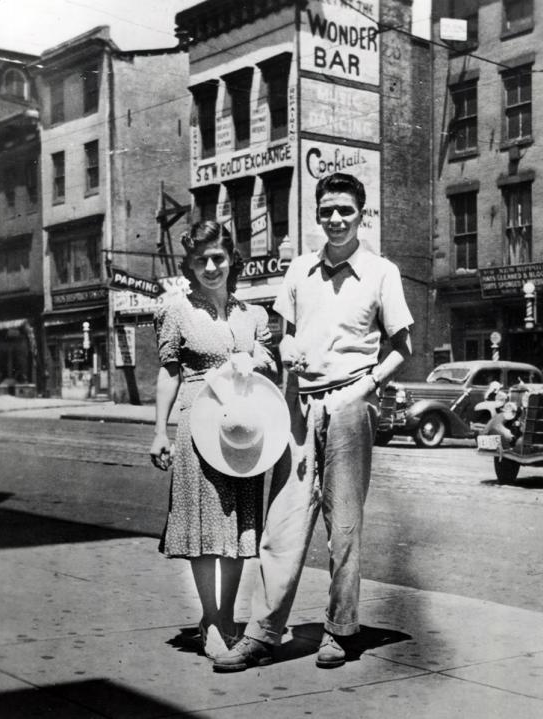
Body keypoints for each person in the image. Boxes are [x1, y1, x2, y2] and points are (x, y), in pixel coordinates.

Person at [213, 172, 414, 672]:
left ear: (361, 214)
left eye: (345, 209)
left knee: (343, 526)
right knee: (282, 523)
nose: (336, 219)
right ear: (318, 214)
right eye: (327, 211)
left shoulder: (381, 272)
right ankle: (262, 634)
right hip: (301, 408)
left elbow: (402, 347)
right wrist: (287, 349)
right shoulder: (300, 270)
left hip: (350, 405)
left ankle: (339, 631)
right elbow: (284, 336)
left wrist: (366, 388)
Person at [150, 220, 274, 661]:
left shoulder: (252, 314)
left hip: (240, 430)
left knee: (238, 528)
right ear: (189, 263)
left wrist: (256, 356)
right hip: (195, 422)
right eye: (201, 259)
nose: (210, 266)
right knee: (204, 528)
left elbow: (269, 360)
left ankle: (222, 615)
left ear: (231, 259)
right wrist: (159, 430)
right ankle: (214, 623)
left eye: (218, 257)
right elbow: (169, 372)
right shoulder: (177, 310)